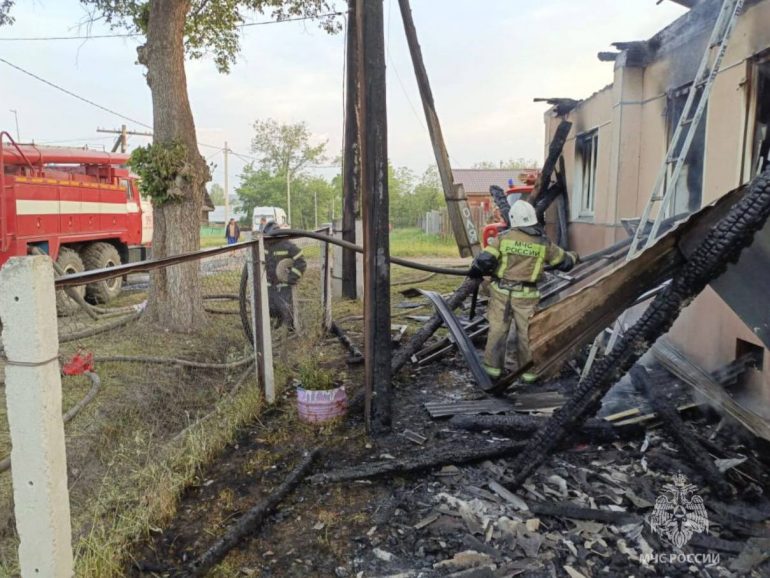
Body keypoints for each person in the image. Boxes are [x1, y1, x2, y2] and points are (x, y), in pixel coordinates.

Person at [469, 200, 578, 383]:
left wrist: (475, 270)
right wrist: (574, 256)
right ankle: (529, 374)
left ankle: (492, 372)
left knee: (497, 331)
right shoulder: (543, 242)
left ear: (513, 219)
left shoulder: (503, 238)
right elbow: (564, 263)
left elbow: (484, 261)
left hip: (501, 293)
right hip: (526, 296)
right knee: (527, 335)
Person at [263, 220, 307, 329]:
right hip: (268, 286)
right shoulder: (263, 246)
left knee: (286, 311)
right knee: (269, 309)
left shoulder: (287, 245)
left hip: (283, 287)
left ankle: (289, 330)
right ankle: (274, 326)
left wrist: (291, 277)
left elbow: (301, 262)